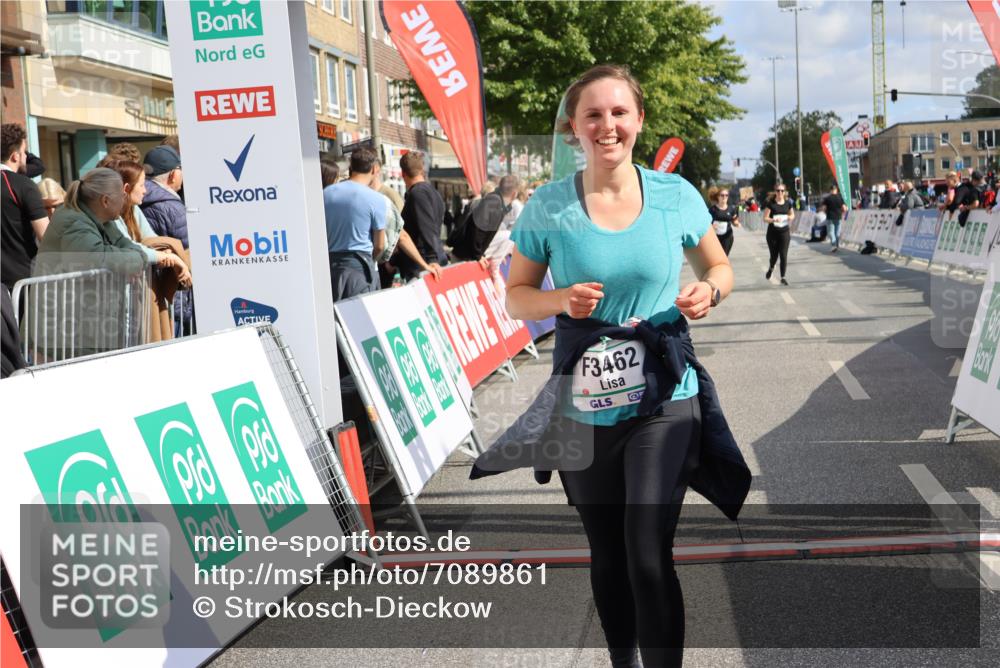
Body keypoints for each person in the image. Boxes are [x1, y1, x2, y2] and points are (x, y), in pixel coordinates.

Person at [469, 64, 749, 668]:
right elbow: (516, 296)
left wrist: (710, 291)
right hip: (584, 404)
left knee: (647, 551)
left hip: (666, 396)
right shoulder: (549, 205)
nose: (607, 126)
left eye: (619, 112)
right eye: (592, 115)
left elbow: (719, 267)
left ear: (639, 120)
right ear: (574, 127)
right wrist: (559, 302)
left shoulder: (675, 195)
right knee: (609, 554)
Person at [140, 144, 193, 334]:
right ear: (173, 174)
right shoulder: (172, 207)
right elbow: (188, 251)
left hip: (145, 294)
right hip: (173, 298)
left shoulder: (135, 199)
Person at [324, 147, 386, 300]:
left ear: (352, 166)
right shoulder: (376, 199)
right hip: (359, 267)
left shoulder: (326, 193)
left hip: (329, 266)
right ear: (374, 169)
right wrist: (370, 260)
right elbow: (379, 245)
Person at [368, 166, 442, 287]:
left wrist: (431, 259)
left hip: (418, 261)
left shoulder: (415, 194)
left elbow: (403, 234)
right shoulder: (432, 193)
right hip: (420, 260)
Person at [1, 123, 50, 292]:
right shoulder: (23, 185)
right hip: (20, 282)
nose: (25, 157)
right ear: (15, 156)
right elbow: (46, 236)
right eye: (24, 153)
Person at [399, 151, 448, 280]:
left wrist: (432, 258)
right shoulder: (433, 192)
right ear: (422, 170)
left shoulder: (418, 194)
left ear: (403, 174)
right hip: (428, 260)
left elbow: (427, 226)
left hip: (423, 264)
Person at [450, 174, 519, 262]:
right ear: (514, 193)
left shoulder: (497, 203)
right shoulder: (494, 203)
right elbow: (476, 229)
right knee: (508, 236)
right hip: (465, 257)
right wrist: (478, 256)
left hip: (466, 255)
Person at [764, 184, 794, 284]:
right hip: (772, 234)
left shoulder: (788, 203)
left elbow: (792, 215)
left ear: (784, 192)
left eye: (782, 190)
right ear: (775, 192)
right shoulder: (771, 204)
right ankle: (771, 268)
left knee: (783, 255)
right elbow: (765, 218)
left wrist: (789, 217)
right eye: (778, 190)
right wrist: (773, 220)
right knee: (774, 256)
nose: (780, 192)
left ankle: (783, 277)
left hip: (784, 232)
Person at [707, 186, 740, 256]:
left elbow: (734, 221)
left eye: (726, 195)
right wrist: (711, 226)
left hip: (727, 237)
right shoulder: (712, 209)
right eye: (722, 195)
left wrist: (737, 224)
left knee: (724, 256)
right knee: (715, 256)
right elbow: (707, 222)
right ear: (718, 196)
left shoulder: (731, 209)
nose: (724, 197)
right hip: (715, 237)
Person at [821, 184, 847, 252]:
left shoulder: (827, 198)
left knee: (831, 232)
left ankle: (834, 244)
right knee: (837, 232)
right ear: (836, 190)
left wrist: (826, 213)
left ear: (830, 190)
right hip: (838, 217)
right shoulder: (840, 198)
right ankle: (837, 245)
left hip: (830, 217)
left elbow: (824, 208)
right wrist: (842, 212)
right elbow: (844, 208)